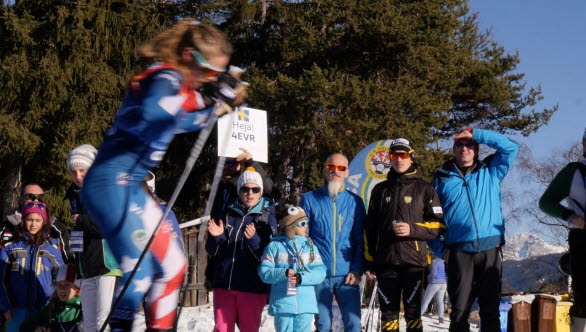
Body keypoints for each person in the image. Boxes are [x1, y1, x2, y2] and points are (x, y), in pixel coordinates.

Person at [81, 19, 244, 331]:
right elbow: (156, 112)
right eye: (208, 71)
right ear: (187, 56)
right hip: (110, 182)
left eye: (216, 74)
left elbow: (186, 110)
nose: (208, 79)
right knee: (139, 270)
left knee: (173, 266)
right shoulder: (164, 75)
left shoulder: (180, 85)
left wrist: (217, 97)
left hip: (130, 186)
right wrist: (212, 102)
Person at [430, 128, 518, 332]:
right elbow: (429, 220)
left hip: (489, 248)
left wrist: (475, 133)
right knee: (460, 312)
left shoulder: (491, 170)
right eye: (459, 145)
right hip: (458, 252)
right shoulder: (441, 179)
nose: (464, 149)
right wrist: (440, 250)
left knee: (490, 311)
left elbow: (510, 147)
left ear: (476, 150)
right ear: (454, 149)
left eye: (469, 145)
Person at [363, 138, 444, 332]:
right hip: (386, 262)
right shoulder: (379, 190)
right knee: (388, 315)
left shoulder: (425, 189)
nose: (399, 159)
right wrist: (369, 261)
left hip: (413, 263)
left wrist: (412, 229)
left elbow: (439, 226)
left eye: (403, 155)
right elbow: (370, 228)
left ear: (411, 157)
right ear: (390, 159)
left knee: (412, 313)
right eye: (395, 155)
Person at [205, 168, 277, 332]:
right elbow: (211, 251)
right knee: (222, 329)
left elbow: (269, 257)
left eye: (255, 189)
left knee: (249, 329)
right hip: (224, 284)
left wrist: (253, 240)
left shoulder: (266, 218)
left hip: (251, 287)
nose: (249, 193)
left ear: (260, 192)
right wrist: (216, 238)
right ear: (239, 190)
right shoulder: (227, 213)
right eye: (245, 188)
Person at [299, 153, 365, 332]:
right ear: (324, 169)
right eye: (331, 167)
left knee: (353, 323)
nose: (335, 171)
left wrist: (357, 269)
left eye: (341, 168)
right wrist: (310, 268)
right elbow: (303, 238)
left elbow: (360, 239)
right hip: (319, 273)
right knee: (323, 324)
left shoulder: (356, 202)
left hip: (347, 275)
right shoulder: (309, 199)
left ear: (347, 172)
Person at [65, 144, 121, 332]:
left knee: (103, 321)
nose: (78, 176)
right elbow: (76, 229)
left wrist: (82, 220)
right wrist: (75, 254)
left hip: (107, 264)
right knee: (88, 322)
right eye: (74, 172)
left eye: (83, 170)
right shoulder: (74, 195)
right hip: (86, 265)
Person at [539, 128, 586, 331]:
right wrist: (570, 216)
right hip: (583, 238)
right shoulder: (573, 171)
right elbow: (545, 202)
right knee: (583, 296)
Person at [258, 205, 327, 332]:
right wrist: (283, 273)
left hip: (306, 303)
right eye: (302, 223)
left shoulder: (310, 247)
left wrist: (302, 278)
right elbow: (264, 272)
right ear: (290, 226)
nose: (306, 226)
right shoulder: (274, 246)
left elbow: (321, 272)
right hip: (283, 304)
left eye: (307, 222)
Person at [0, 201, 64, 331]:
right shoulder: (10, 248)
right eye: (29, 220)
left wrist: (55, 305)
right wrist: (6, 308)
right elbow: (1, 281)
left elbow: (61, 278)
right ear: (23, 220)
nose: (33, 224)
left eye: (37, 220)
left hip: (44, 310)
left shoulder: (52, 248)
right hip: (16, 310)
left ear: (44, 222)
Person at [2, 184, 70, 261]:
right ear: (21, 199)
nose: (36, 199)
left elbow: (68, 256)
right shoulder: (8, 226)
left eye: (40, 196)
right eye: (30, 196)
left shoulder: (57, 228)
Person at [211, 147, 274, 221]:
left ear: (238, 166)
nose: (226, 166)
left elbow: (270, 189)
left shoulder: (244, 184)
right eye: (223, 163)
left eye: (230, 163)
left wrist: (250, 161)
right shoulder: (219, 186)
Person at [20, 264, 83, 332]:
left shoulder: (83, 307)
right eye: (59, 284)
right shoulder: (53, 306)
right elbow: (24, 327)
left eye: (67, 284)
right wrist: (36, 328)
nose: (62, 289)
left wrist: (53, 329)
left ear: (77, 288)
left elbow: (82, 327)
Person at [420, 256, 447, 324]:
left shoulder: (434, 261)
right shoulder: (443, 261)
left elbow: (433, 273)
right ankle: (441, 318)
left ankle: (418, 316)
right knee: (440, 301)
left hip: (435, 283)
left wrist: (428, 278)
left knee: (426, 300)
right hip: (443, 283)